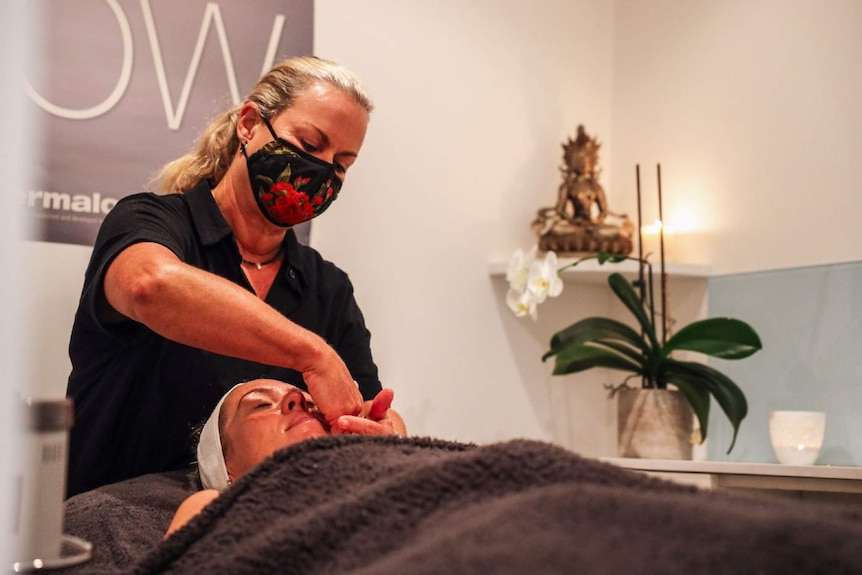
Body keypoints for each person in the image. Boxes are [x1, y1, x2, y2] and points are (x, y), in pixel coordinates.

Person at [65, 56, 401, 497]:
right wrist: (312, 355)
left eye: (340, 164)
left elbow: (371, 408)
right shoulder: (151, 222)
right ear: (248, 124)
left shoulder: (326, 287)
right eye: (309, 144)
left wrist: (388, 437)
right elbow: (149, 285)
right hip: (118, 531)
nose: (322, 170)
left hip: (255, 535)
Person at [166, 379, 403, 537]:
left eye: (311, 404)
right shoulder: (207, 512)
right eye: (260, 405)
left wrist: (383, 456)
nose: (297, 399)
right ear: (226, 469)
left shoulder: (381, 486)